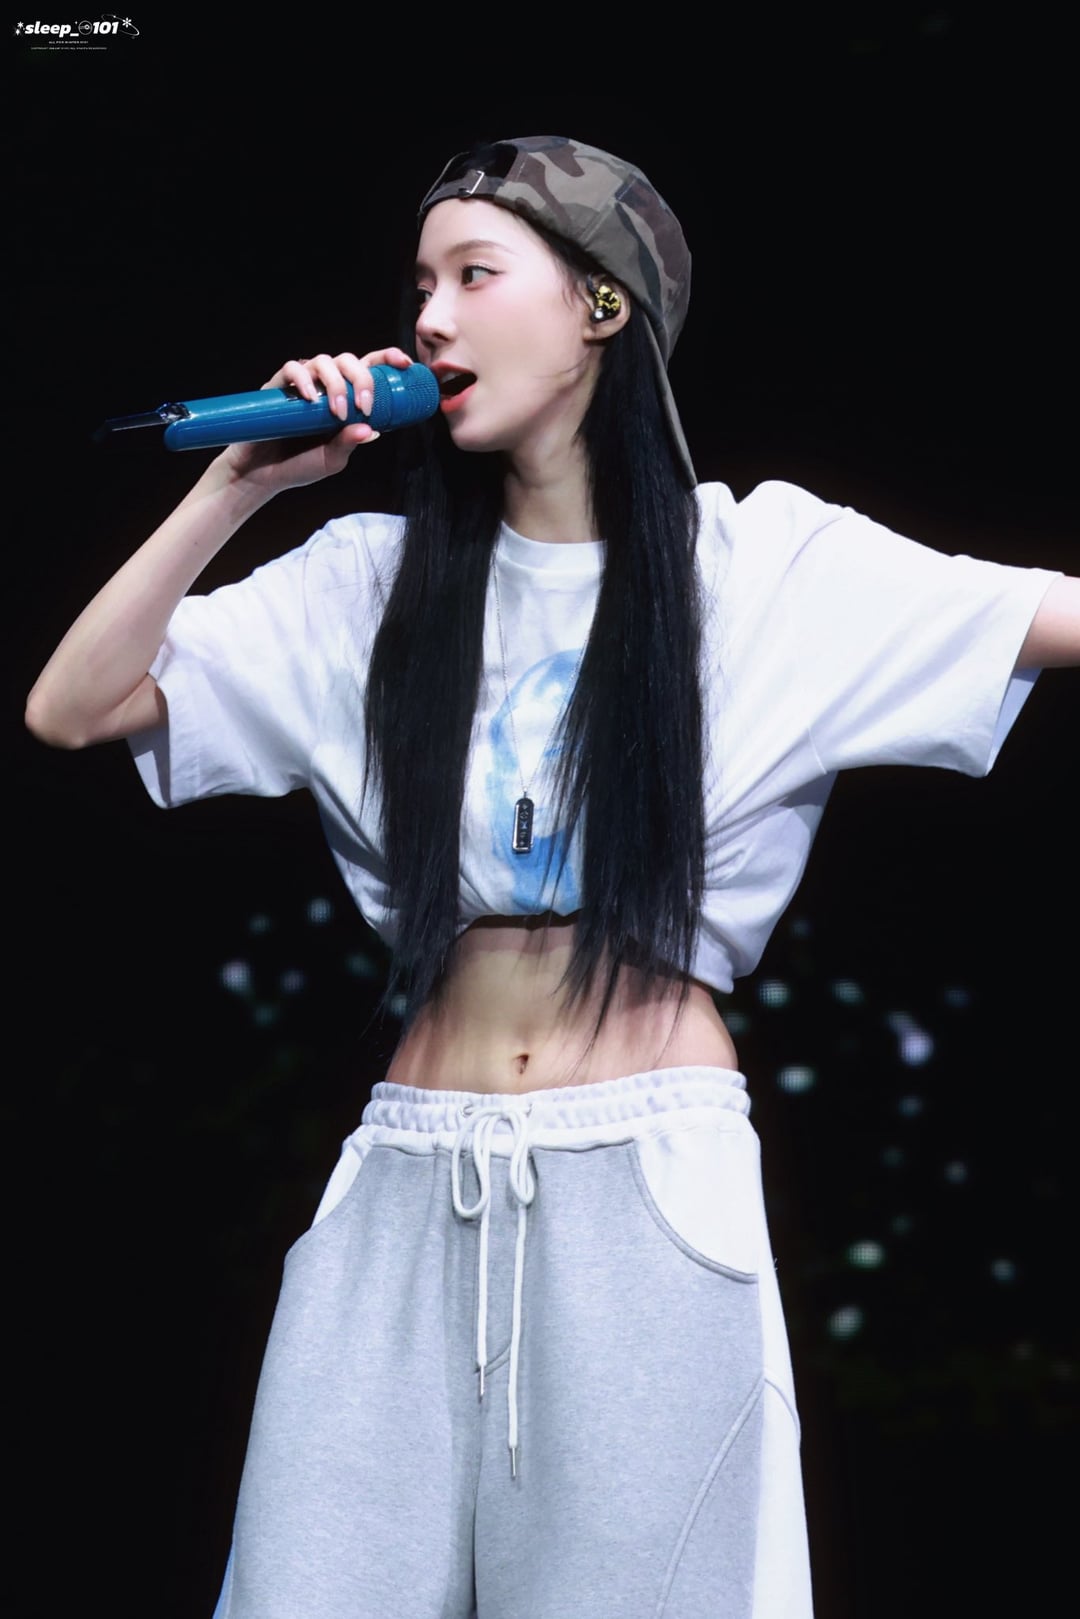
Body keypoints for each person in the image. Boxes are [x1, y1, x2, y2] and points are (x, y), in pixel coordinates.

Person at [25, 135, 1079, 1619]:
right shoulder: (369, 582)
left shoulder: (764, 569)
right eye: (419, 287)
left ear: (600, 306)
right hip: (408, 1174)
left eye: (474, 275)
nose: (429, 319)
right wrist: (237, 489)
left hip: (645, 1180)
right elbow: (71, 708)